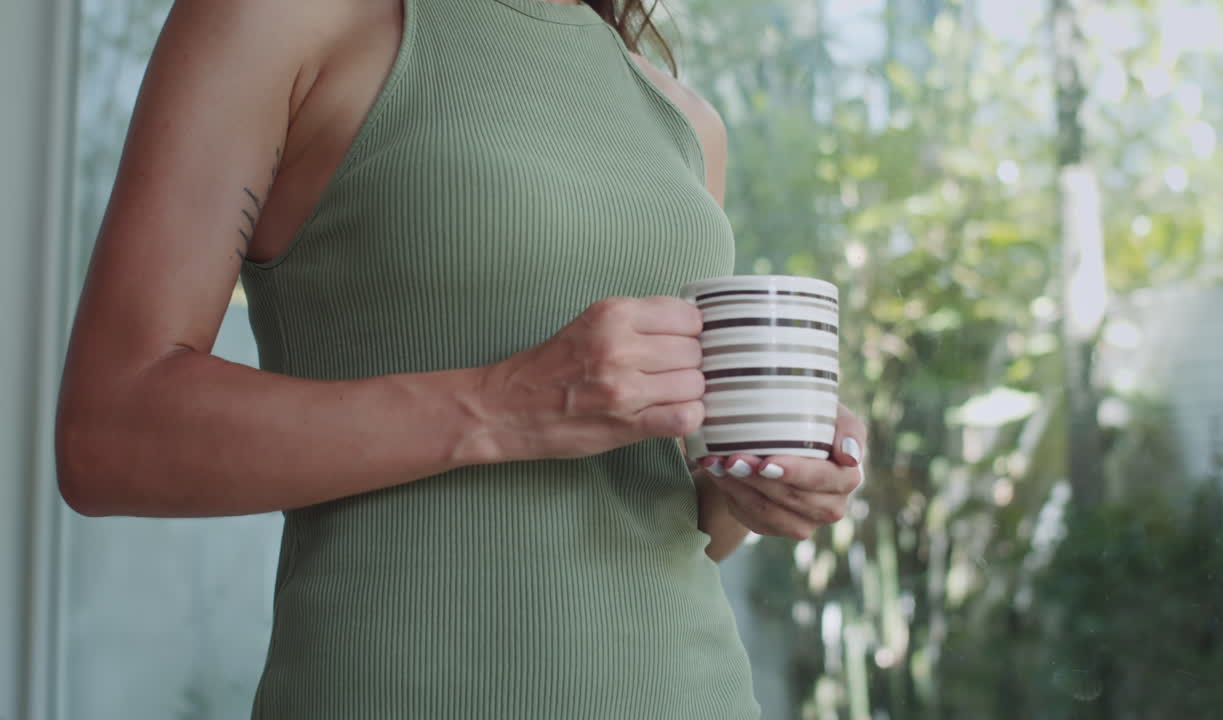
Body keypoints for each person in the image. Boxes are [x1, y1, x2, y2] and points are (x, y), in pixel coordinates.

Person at [55, 0, 867, 716]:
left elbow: (670, 514)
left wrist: (750, 489)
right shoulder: (286, 16)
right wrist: (506, 405)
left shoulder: (682, 118)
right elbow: (107, 434)